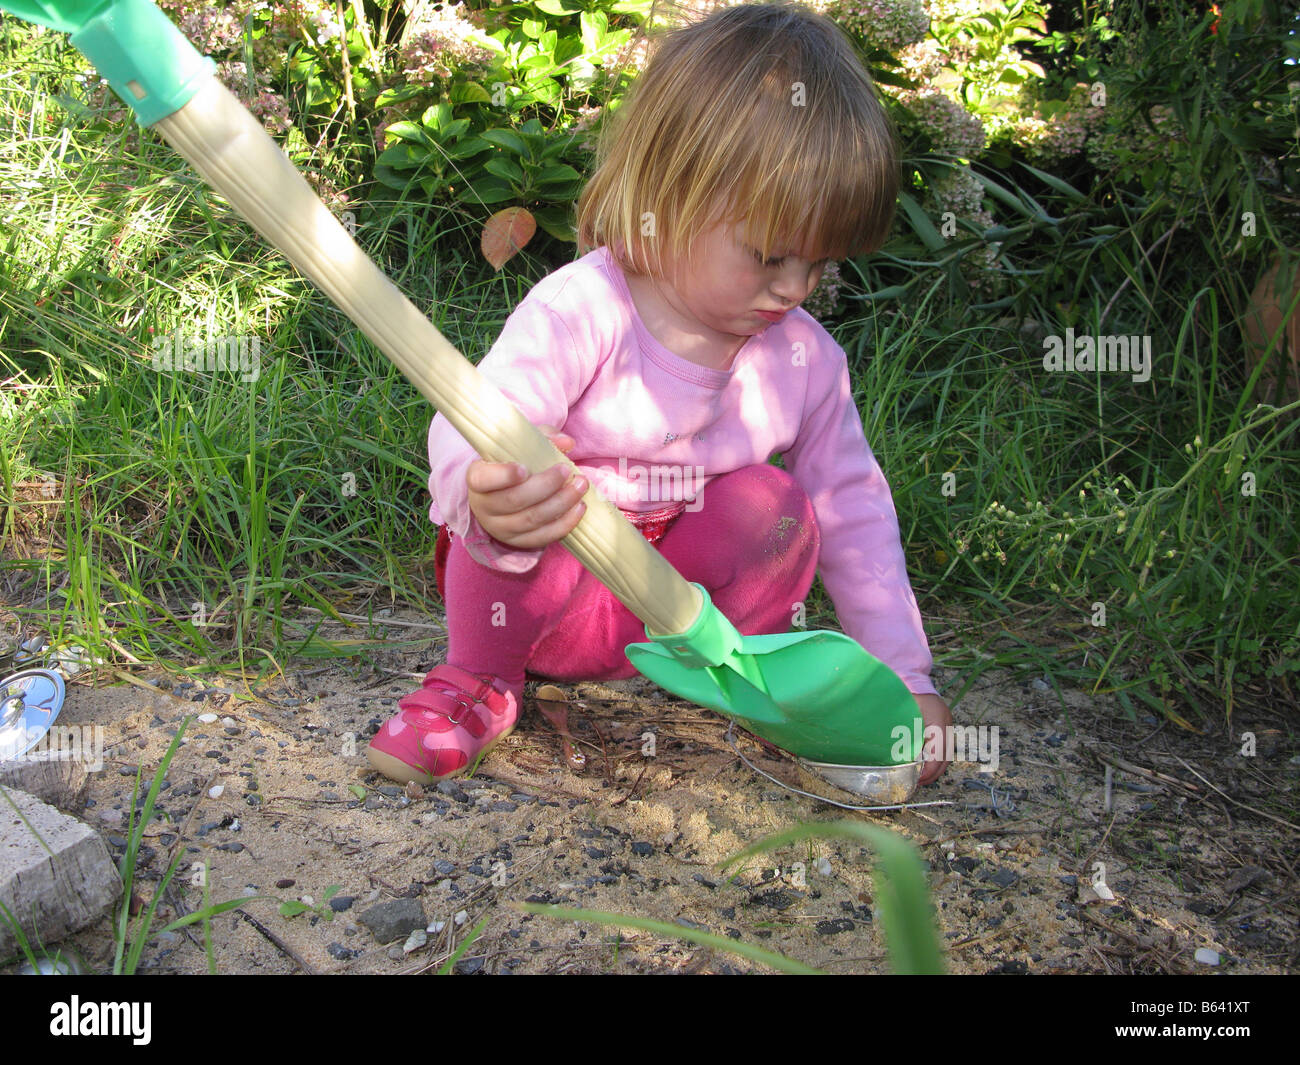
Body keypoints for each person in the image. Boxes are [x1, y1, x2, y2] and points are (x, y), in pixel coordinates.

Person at [367, 1, 954, 788]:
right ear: (669, 196)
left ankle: (754, 684)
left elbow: (856, 509)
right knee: (533, 477)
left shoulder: (805, 358)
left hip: (676, 617)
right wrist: (486, 487)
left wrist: (904, 679)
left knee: (778, 503)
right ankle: (479, 682)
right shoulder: (585, 308)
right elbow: (478, 410)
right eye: (770, 255)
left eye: (819, 264)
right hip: (552, 596)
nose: (794, 288)